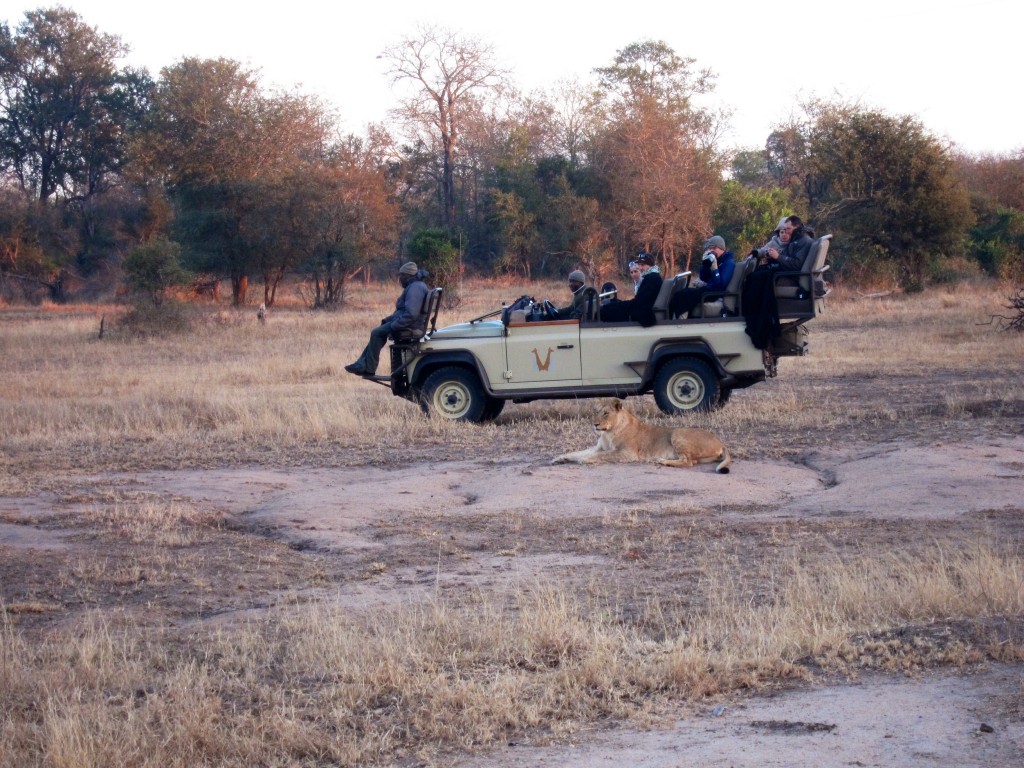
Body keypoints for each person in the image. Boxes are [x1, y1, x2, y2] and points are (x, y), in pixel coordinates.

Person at [344, 261, 429, 377]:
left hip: (411, 326)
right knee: (379, 331)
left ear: (408, 275)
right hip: (411, 324)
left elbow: (411, 314)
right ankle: (361, 364)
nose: (400, 279)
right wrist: (389, 320)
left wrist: (394, 326)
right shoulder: (416, 286)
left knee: (376, 333)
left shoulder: (414, 289)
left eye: (401, 276)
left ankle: (368, 368)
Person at [669, 235, 736, 318]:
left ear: (721, 248)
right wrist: (705, 264)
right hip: (708, 289)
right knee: (681, 293)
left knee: (684, 296)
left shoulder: (729, 263)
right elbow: (703, 277)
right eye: (709, 248)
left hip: (715, 293)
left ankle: (681, 320)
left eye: (714, 248)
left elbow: (721, 285)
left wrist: (715, 269)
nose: (711, 251)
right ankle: (677, 317)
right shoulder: (716, 260)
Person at [600, 252, 663, 326]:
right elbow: (640, 300)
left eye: (642, 265)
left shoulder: (652, 279)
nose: (640, 268)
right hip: (640, 309)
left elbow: (639, 302)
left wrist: (620, 304)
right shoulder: (651, 277)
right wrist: (618, 303)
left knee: (605, 311)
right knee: (612, 305)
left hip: (643, 314)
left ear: (650, 265)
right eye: (639, 265)